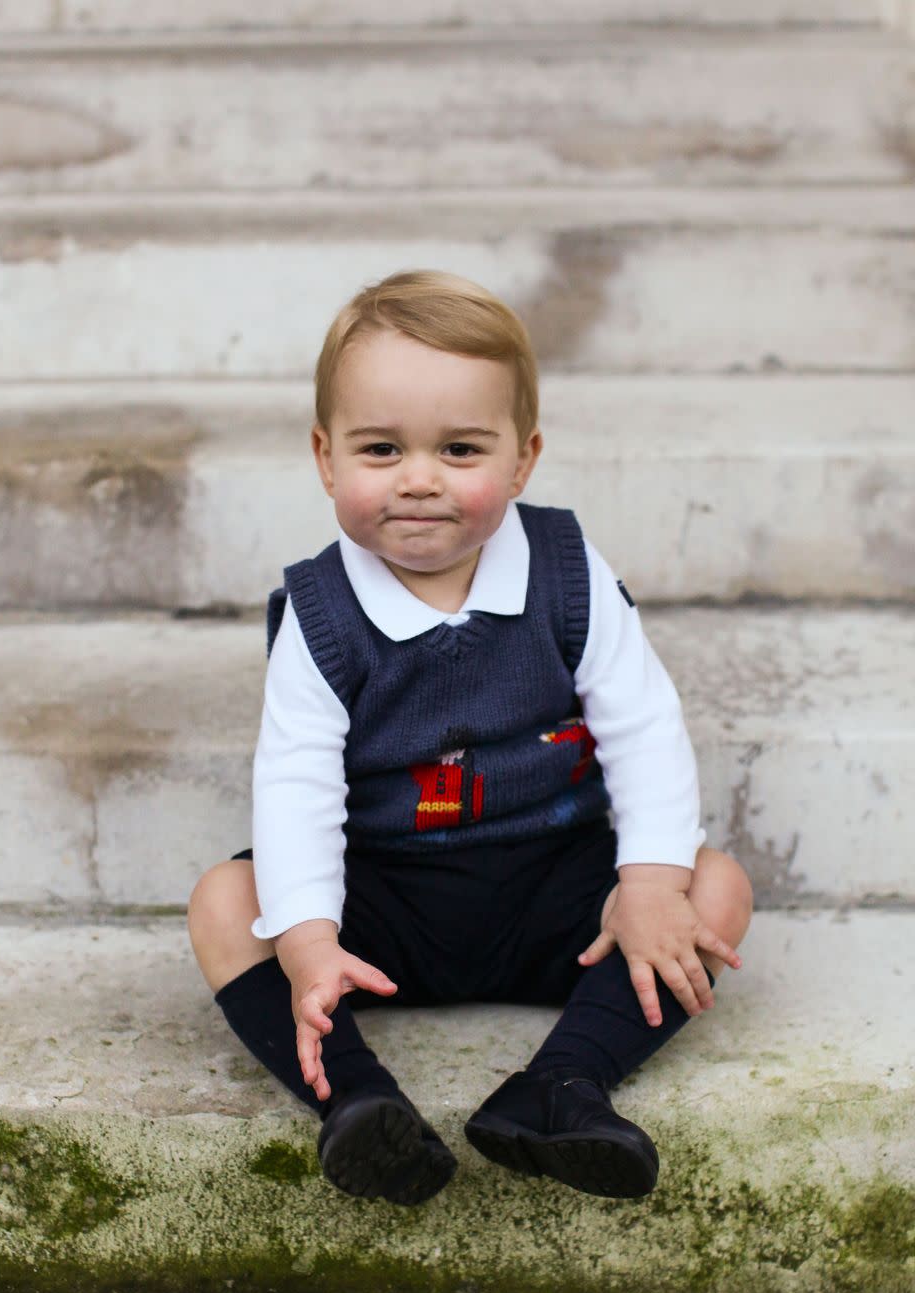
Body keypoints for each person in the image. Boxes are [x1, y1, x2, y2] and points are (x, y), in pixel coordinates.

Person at [188, 269, 753, 1209]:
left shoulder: (567, 573)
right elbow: (295, 783)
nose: (419, 479)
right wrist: (310, 938)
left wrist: (649, 886)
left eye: (459, 448)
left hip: (554, 889)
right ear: (326, 460)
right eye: (380, 449)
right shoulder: (323, 616)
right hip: (386, 902)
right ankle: (361, 1108)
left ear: (523, 459)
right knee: (224, 902)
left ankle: (561, 1087)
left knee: (716, 884)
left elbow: (643, 724)